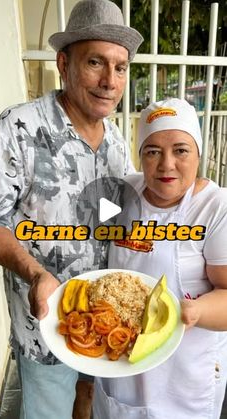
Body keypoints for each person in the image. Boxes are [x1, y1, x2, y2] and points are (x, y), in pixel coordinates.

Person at [0, 1, 143, 418]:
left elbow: (118, 214)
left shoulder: (114, 139)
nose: (110, 81)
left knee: (88, 403)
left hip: (104, 319)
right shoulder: (18, 128)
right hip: (44, 326)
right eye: (95, 62)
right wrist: (37, 272)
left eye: (121, 67)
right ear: (64, 62)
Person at [92, 98, 227, 419]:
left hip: (183, 371)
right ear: (140, 156)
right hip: (118, 356)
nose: (166, 164)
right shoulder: (123, 193)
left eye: (180, 150)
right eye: (152, 152)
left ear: (198, 153)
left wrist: (192, 311)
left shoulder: (214, 207)